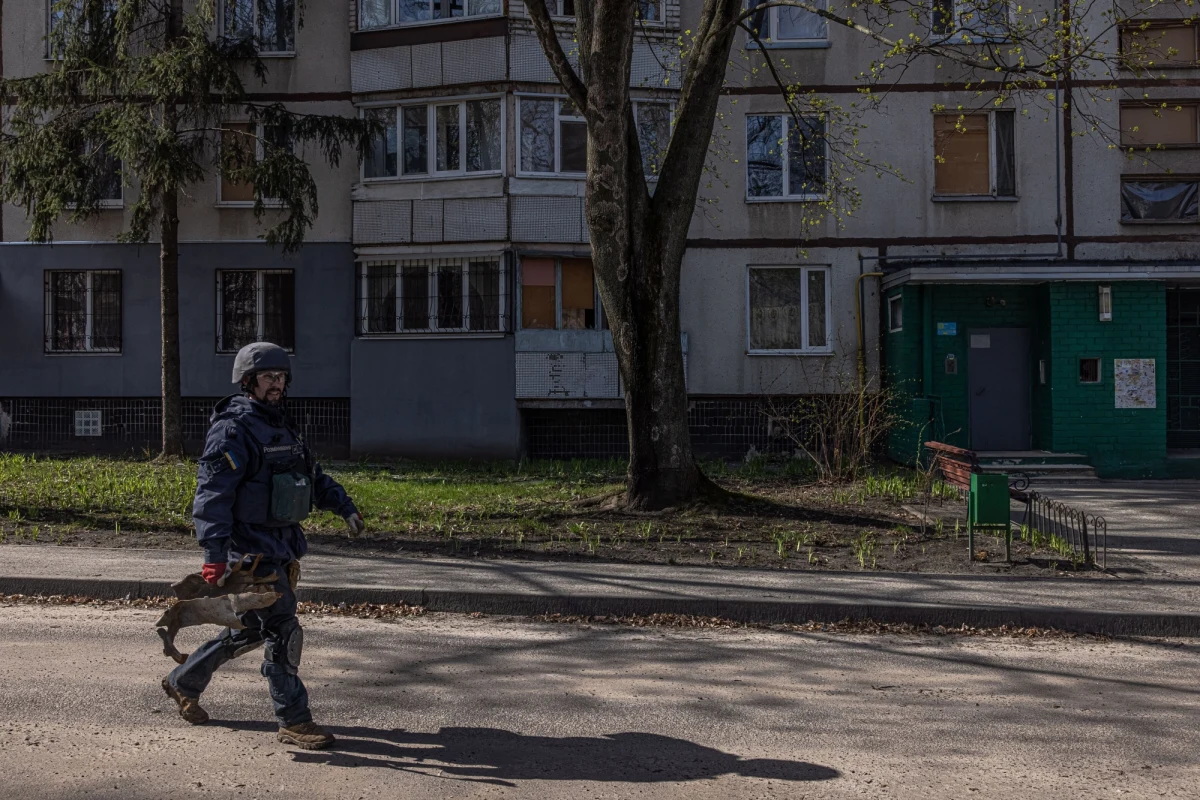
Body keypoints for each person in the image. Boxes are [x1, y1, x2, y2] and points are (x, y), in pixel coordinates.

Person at [161, 342, 365, 750]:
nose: (277, 384)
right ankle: (294, 720)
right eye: (269, 377)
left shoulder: (281, 425)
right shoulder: (233, 429)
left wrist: (344, 506)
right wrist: (214, 555)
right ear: (248, 381)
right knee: (284, 631)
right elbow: (212, 494)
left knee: (252, 629)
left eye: (282, 377)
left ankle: (183, 681)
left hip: (282, 544)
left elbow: (312, 476)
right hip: (251, 550)